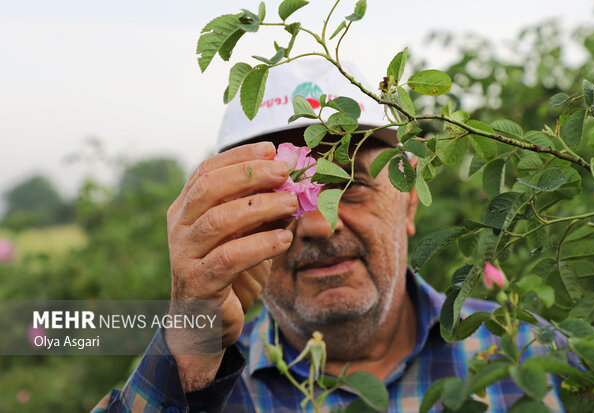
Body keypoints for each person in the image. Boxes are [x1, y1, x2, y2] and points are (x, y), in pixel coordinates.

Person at [92, 59, 565, 413]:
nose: (319, 223)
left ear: (409, 198)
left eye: (350, 186)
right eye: (277, 197)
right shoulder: (202, 387)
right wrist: (191, 356)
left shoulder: (535, 354)